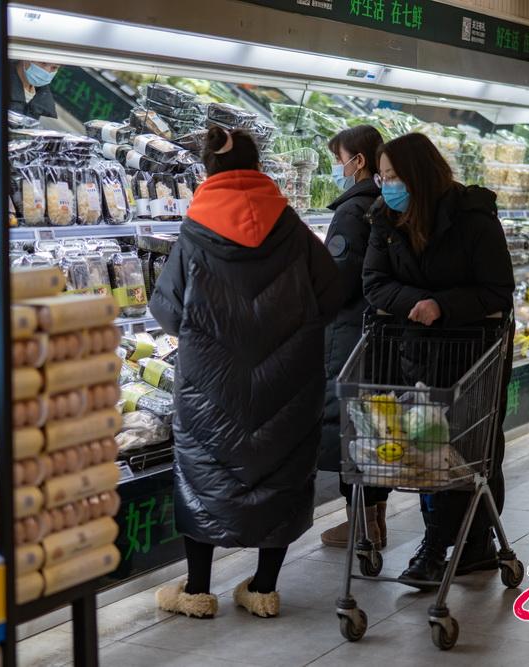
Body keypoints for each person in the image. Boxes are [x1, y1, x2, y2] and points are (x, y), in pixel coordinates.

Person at [150, 126, 341, 619]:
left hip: (210, 380)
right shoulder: (292, 227)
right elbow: (334, 292)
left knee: (204, 474)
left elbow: (166, 309)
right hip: (287, 377)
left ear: (207, 170)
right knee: (279, 471)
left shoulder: (194, 231)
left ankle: (196, 590)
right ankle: (262, 588)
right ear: (259, 166)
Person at [362, 132, 514, 587]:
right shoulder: (385, 219)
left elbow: (497, 291)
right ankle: (474, 546)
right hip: (419, 351)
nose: (386, 184)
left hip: (474, 351)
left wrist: (443, 306)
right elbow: (373, 281)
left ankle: (439, 547)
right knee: (430, 447)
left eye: (393, 176)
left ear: (420, 175)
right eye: (382, 176)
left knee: (468, 450)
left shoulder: (473, 217)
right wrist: (417, 303)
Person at [315, 125, 393, 550]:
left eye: (339, 156)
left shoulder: (350, 212)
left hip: (351, 334)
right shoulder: (383, 204)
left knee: (351, 428)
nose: (337, 166)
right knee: (375, 428)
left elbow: (339, 281)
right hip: (380, 335)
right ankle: (375, 523)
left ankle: (359, 525)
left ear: (357, 160)